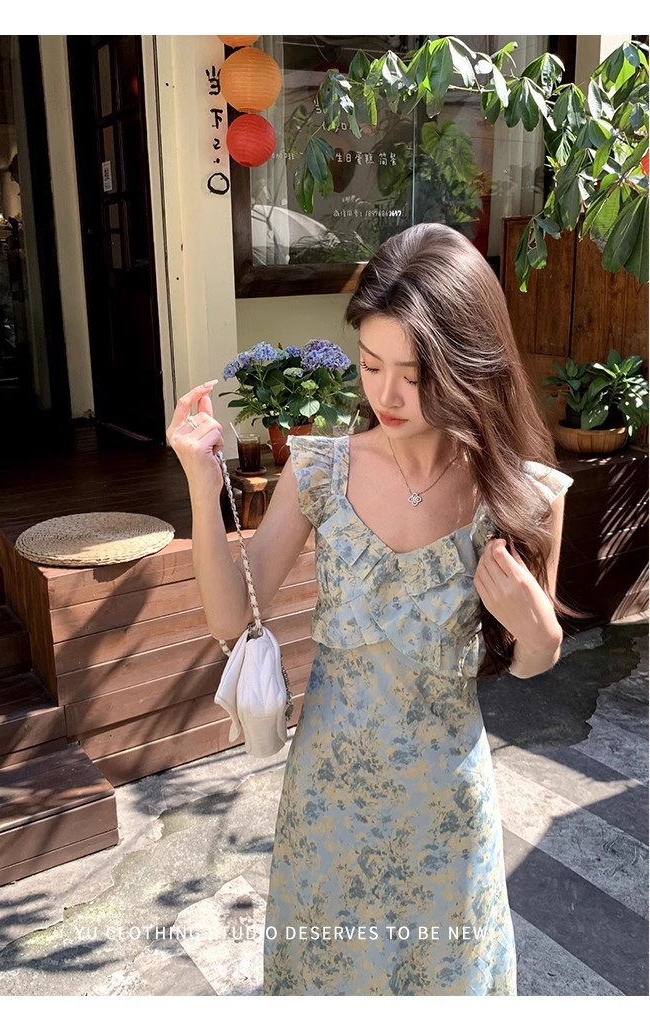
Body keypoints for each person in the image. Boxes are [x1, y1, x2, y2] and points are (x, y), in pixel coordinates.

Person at [166, 223, 575, 996]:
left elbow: (535, 661)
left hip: (445, 810)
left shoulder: (521, 493)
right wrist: (201, 482)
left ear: (467, 365)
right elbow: (231, 619)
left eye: (413, 374)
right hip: (329, 804)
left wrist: (536, 629)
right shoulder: (320, 470)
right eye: (371, 364)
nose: (385, 395)